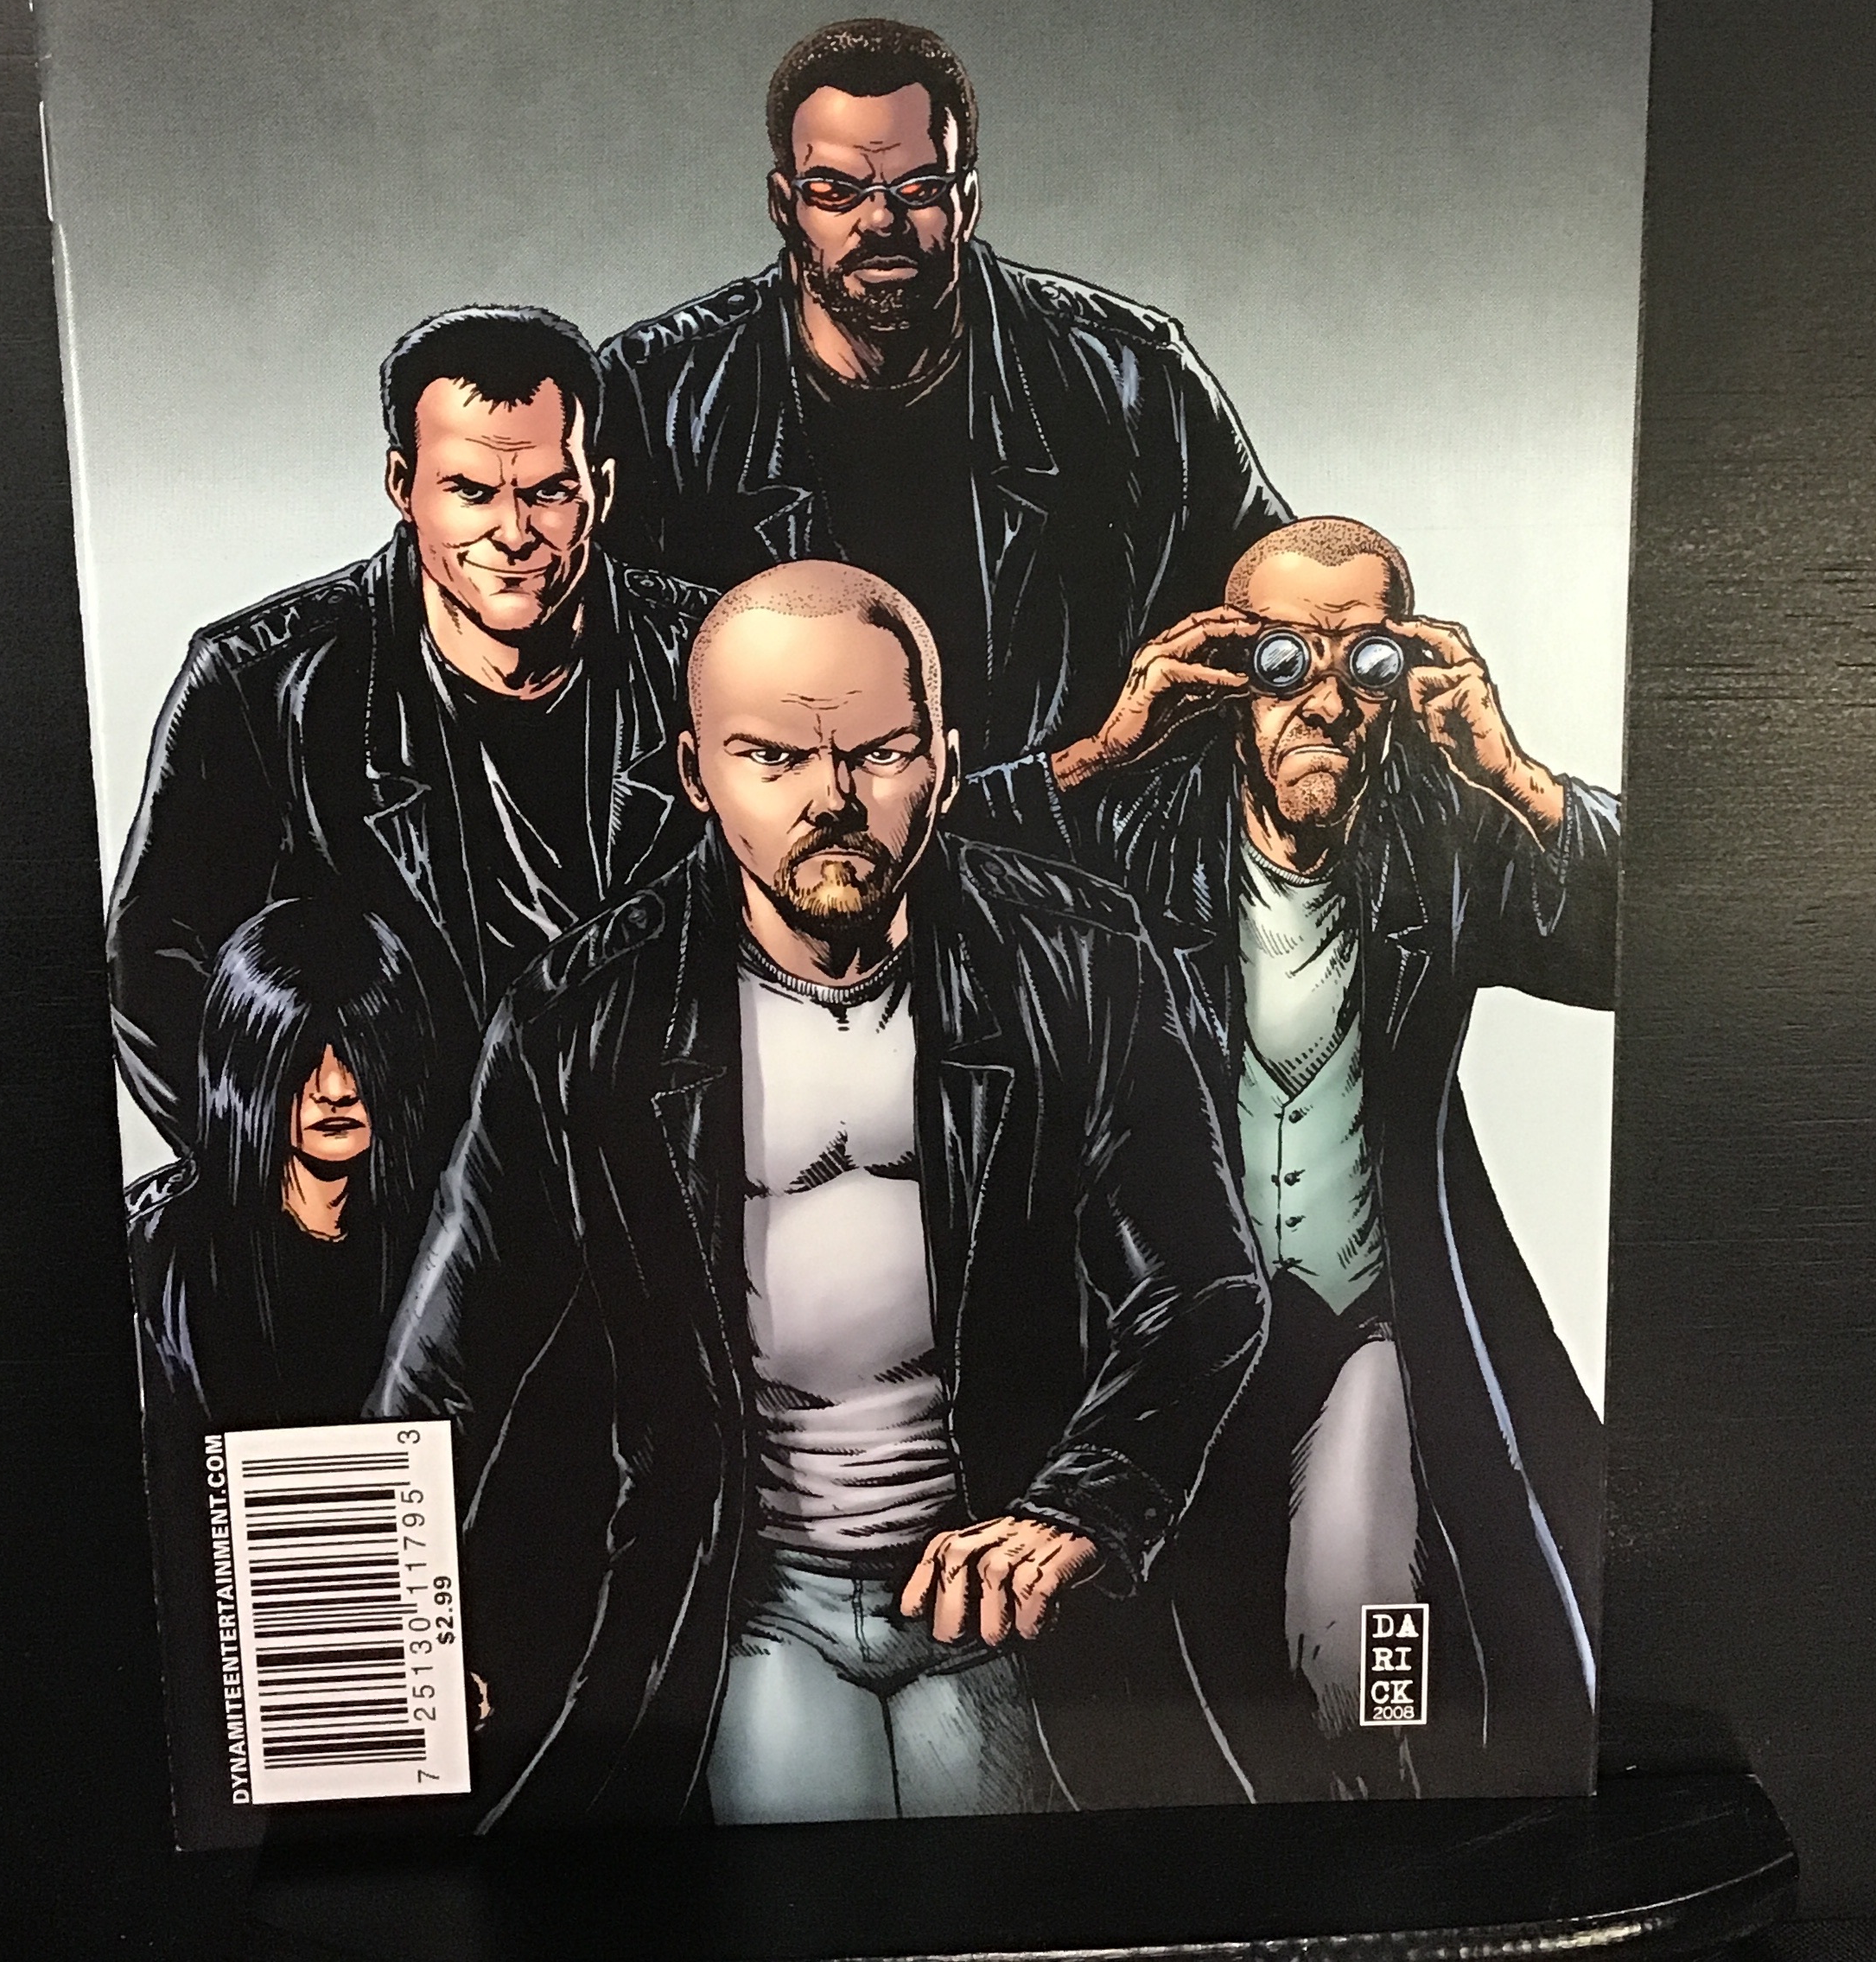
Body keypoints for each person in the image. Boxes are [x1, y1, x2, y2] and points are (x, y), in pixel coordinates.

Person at [370, 559, 1266, 1828]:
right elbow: (449, 1357)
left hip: (1001, 1589)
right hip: (746, 1602)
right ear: (696, 775)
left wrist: (1078, 1506)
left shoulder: (1083, 962)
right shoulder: (582, 1018)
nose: (833, 799)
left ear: (945, 762)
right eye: (774, 758)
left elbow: (1204, 1285)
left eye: (880, 753)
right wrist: (382, 1642)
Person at [963, 515, 1620, 1800]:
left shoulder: (1444, 837)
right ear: (1226, 673)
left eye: (1363, 662)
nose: (1322, 702)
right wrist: (1099, 751)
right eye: (1281, 661)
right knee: (1167, 1704)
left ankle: (1382, 1821)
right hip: (1176, 1350)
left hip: (1364, 1327)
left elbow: (1659, 940)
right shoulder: (1134, 835)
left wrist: (1519, 773)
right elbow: (923, 884)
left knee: (1374, 1657)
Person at [108, 304, 714, 1161]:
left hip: (655, 1194)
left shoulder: (719, 661)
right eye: (470, 491)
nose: (513, 533)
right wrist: (294, 1197)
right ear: (403, 485)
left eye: (549, 490)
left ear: (600, 489)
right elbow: (155, 970)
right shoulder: (262, 687)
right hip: (396, 1202)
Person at [595, 19, 1286, 766]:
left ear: (968, 200)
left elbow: (1292, 608)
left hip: (1078, 838)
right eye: (835, 190)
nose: (880, 219)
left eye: (920, 188)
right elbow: (593, 695)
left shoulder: (1131, 381)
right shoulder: (657, 400)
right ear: (783, 204)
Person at [127, 899, 438, 1432]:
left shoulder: (446, 1239)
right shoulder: (164, 1249)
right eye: (304, 1053)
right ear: (247, 1065)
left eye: (357, 1050)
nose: (335, 1089)